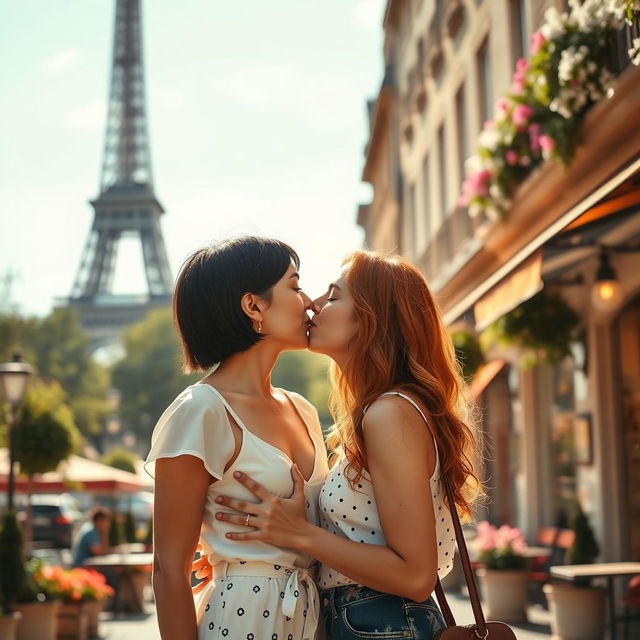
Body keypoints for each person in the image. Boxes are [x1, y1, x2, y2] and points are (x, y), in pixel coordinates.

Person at [210, 250, 482, 640]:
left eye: (334, 296)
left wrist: (299, 533)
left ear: (371, 318)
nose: (313, 305)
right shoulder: (385, 411)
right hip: (374, 621)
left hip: (381, 622)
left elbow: (416, 574)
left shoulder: (389, 413)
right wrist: (240, 555)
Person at [145, 237, 329, 640]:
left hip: (314, 617)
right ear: (253, 305)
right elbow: (168, 569)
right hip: (243, 620)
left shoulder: (303, 409)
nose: (310, 301)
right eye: (295, 287)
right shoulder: (201, 411)